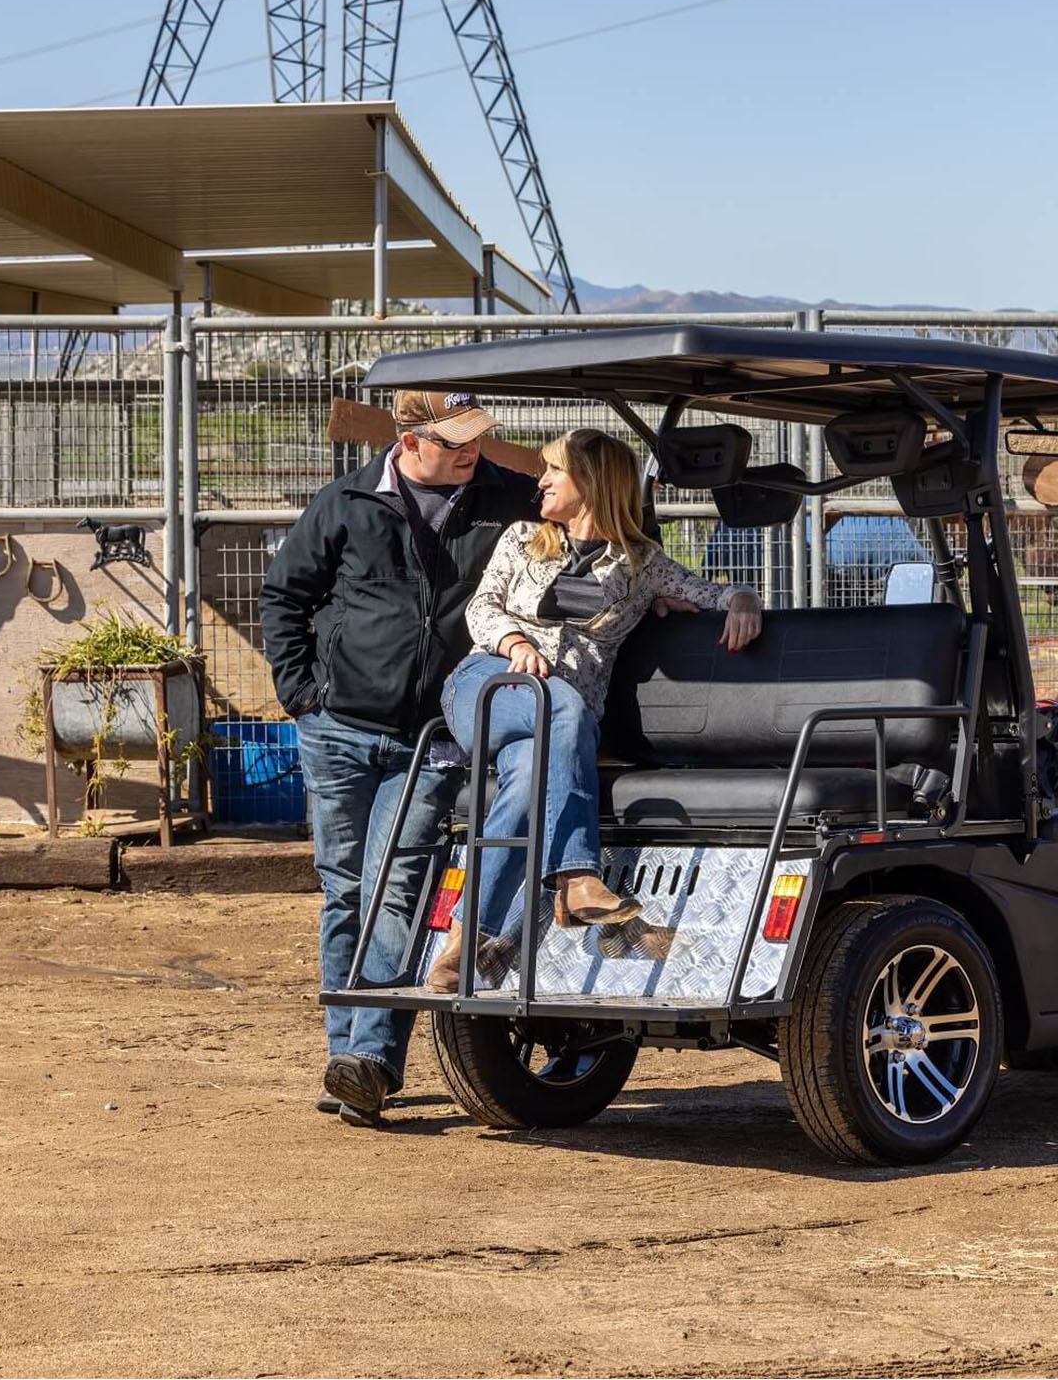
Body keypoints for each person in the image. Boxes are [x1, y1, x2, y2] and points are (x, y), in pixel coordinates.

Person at [260, 390, 540, 1127]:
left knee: (400, 884)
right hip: (339, 731)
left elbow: (593, 538)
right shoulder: (347, 501)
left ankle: (373, 1059)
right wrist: (303, 696)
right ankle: (344, 1055)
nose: (470, 450)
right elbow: (285, 596)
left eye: (476, 436)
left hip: (435, 737)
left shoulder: (511, 500)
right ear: (410, 441)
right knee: (345, 888)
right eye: (453, 440)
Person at [427, 427, 763, 990]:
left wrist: (745, 600)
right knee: (562, 704)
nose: (541, 481)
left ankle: (472, 941)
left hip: (563, 719)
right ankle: (578, 878)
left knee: (531, 775)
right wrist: (517, 643)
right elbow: (481, 609)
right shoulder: (522, 538)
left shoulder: (640, 564)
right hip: (490, 683)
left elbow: (713, 593)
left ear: (590, 482)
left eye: (554, 471)